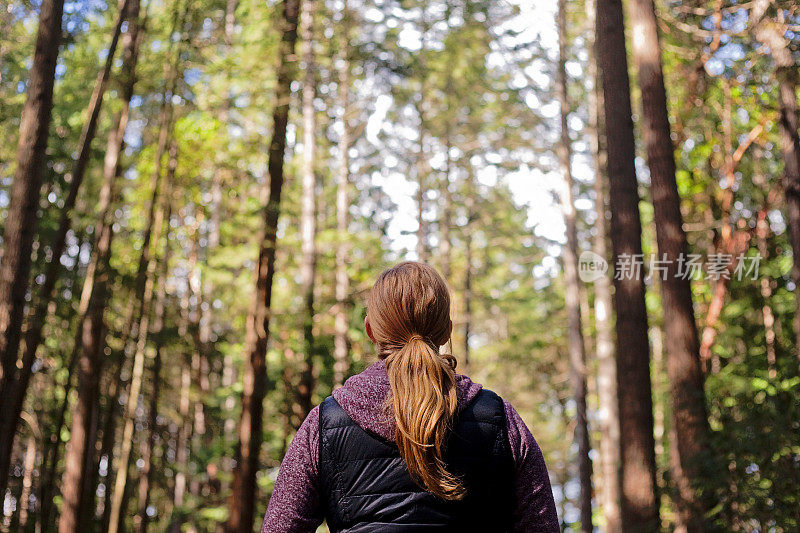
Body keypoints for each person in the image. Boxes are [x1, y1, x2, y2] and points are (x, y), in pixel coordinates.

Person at [262, 262, 559, 532]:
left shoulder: (325, 423)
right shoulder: (499, 419)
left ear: (371, 331)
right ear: (447, 332)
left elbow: (280, 526)